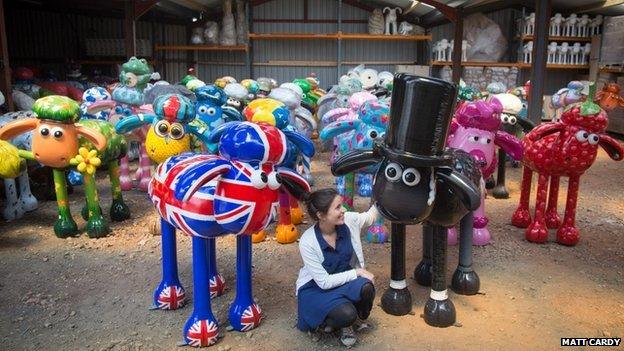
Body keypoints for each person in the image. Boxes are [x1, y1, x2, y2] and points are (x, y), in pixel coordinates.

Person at [296, 188, 378, 347]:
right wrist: (357, 272)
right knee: (347, 314)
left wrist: (385, 194)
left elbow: (370, 217)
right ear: (321, 215)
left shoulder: (349, 221)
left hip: (343, 281)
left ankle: (349, 316)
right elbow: (324, 282)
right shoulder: (308, 242)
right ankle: (335, 321)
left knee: (366, 287)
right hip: (316, 288)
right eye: (338, 207)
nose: (344, 210)